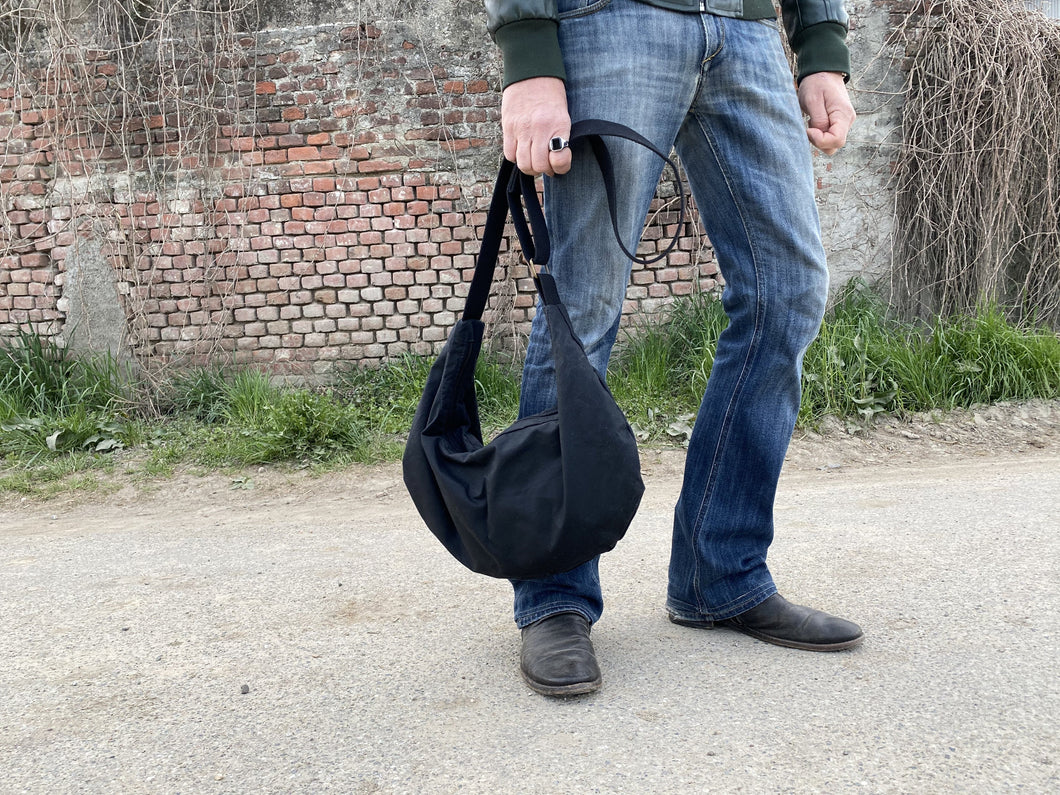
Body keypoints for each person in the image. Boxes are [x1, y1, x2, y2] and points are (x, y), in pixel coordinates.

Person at [485, 0, 863, 697]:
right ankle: (554, 594)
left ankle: (719, 573)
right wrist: (530, 55)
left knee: (789, 290)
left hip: (746, 31)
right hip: (609, 17)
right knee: (583, 303)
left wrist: (819, 42)